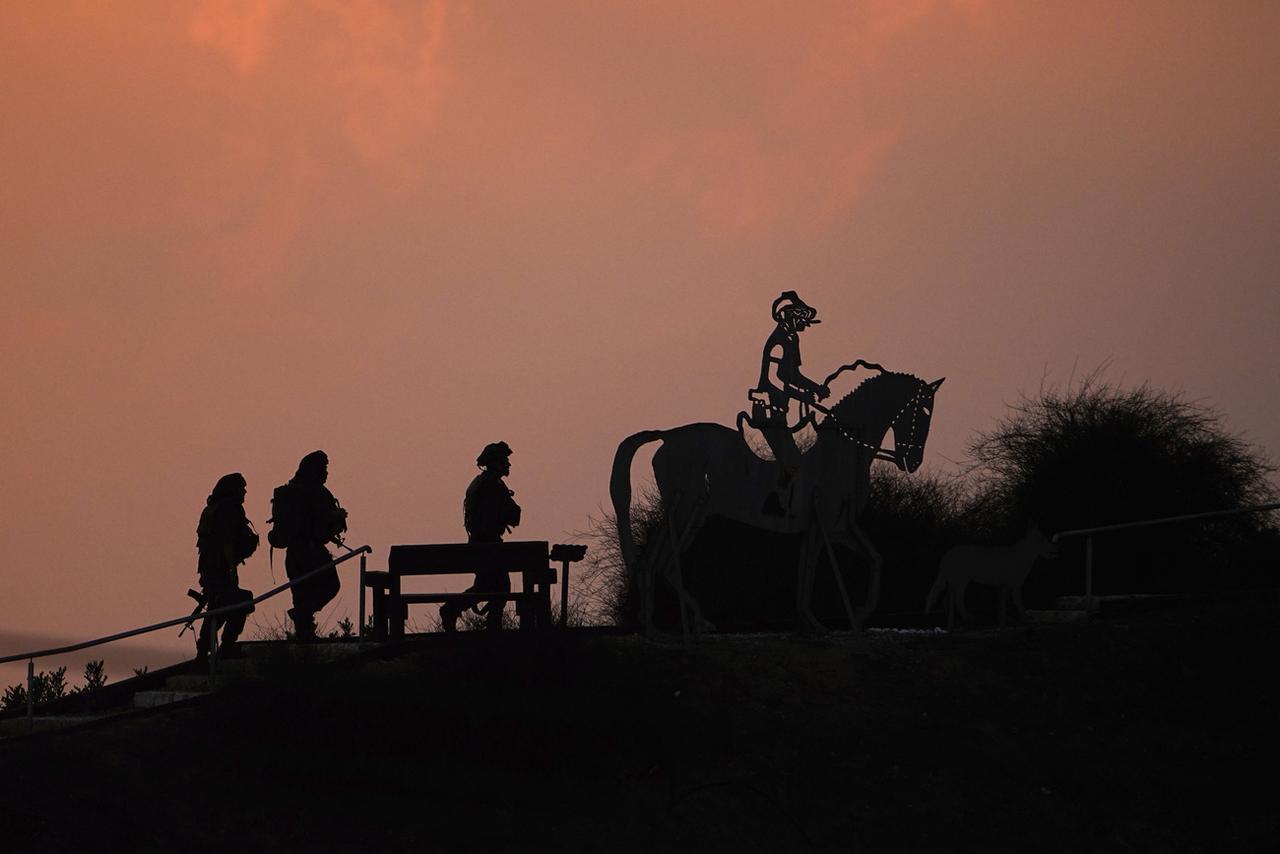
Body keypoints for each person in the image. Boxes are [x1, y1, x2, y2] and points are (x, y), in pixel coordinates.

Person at [441, 441, 522, 632]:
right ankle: (490, 626)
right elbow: (512, 515)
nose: (509, 464)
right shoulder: (492, 486)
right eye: (505, 460)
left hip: (479, 546)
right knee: (501, 586)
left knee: (487, 586)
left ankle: (455, 610)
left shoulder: (481, 484)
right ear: (496, 463)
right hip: (488, 546)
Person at [282, 450, 348, 641]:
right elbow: (323, 518)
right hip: (312, 551)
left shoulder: (292, 490)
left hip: (293, 553)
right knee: (330, 585)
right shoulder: (316, 491)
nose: (326, 472)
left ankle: (304, 635)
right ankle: (303, 617)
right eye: (323, 468)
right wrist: (338, 516)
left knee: (301, 592)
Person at [195, 473, 258, 662]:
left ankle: (203, 652)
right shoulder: (231, 509)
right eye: (242, 488)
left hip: (209, 569)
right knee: (242, 602)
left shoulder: (214, 508)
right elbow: (228, 542)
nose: (245, 492)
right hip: (220, 569)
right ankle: (226, 646)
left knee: (218, 607)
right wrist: (232, 569)